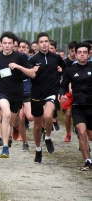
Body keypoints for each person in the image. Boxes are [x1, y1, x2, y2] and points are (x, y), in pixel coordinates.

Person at [0, 31, 36, 158]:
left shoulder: (20, 57)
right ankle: (4, 148)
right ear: (1, 44)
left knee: (12, 121)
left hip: (16, 93)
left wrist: (18, 67)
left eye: (9, 43)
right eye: (4, 43)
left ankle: (12, 131)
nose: (7, 46)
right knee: (6, 114)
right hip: (0, 90)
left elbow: (32, 74)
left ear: (13, 44)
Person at [28, 32, 66, 163]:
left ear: (49, 43)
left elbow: (67, 70)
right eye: (42, 41)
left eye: (46, 41)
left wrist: (62, 82)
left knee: (48, 116)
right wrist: (32, 71)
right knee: (38, 126)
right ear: (37, 45)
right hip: (36, 95)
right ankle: (38, 150)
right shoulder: (32, 60)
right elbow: (25, 75)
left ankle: (48, 137)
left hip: (51, 92)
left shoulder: (56, 58)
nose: (44, 43)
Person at [59, 42, 92, 171]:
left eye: (85, 52)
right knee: (82, 132)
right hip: (78, 107)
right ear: (76, 54)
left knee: (90, 136)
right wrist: (62, 94)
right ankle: (88, 161)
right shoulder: (70, 70)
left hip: (91, 106)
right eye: (79, 52)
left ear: (89, 54)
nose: (82, 55)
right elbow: (62, 86)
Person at [62, 41, 77, 142]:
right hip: (67, 91)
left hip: (78, 91)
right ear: (69, 50)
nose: (74, 53)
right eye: (72, 51)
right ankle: (68, 133)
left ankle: (78, 128)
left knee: (76, 113)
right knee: (68, 113)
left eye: (75, 51)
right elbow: (64, 77)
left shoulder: (81, 63)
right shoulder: (64, 62)